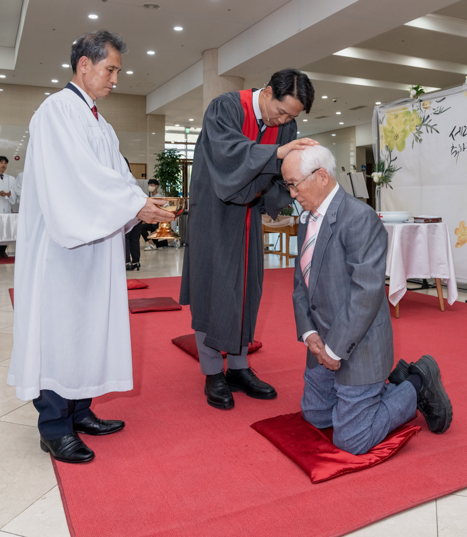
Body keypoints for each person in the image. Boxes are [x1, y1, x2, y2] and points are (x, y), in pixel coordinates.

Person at [8, 30, 173, 464]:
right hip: (62, 251)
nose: (116, 78)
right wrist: (135, 204)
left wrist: (142, 204)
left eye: (117, 70)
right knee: (59, 331)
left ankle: (80, 410)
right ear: (84, 64)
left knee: (83, 330)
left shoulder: (98, 120)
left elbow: (115, 178)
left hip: (92, 247)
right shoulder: (57, 112)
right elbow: (78, 180)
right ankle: (54, 427)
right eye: (110, 69)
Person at [283, 145, 452, 455]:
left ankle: (416, 382)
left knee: (351, 440)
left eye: (294, 183)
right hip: (321, 337)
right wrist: (309, 334)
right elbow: (300, 283)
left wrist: (334, 349)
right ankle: (379, 391)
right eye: (288, 185)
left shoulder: (359, 218)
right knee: (316, 417)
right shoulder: (308, 219)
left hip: (359, 343)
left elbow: (367, 291)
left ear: (321, 176)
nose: (291, 194)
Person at [180, 69, 316, 410]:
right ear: (268, 92)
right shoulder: (224, 107)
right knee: (213, 287)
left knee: (246, 290)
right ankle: (213, 371)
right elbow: (228, 155)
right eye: (282, 112)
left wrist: (297, 186)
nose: (284, 120)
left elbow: (281, 169)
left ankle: (239, 368)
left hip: (248, 213)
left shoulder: (285, 123)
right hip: (215, 210)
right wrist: (277, 153)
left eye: (291, 117)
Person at [0, 157, 16, 258]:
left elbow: (14, 196)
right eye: (1, 162)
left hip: (6, 208)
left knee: (5, 229)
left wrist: (10, 194)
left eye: (5, 163)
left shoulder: (11, 179)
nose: (3, 165)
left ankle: (2, 251)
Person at [143, 179, 163, 251]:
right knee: (141, 227)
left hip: (157, 221)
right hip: (152, 220)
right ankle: (152, 243)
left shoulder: (159, 197)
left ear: (156, 186)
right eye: (149, 185)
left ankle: (153, 244)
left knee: (153, 226)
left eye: (152, 185)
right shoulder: (150, 197)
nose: (150, 187)